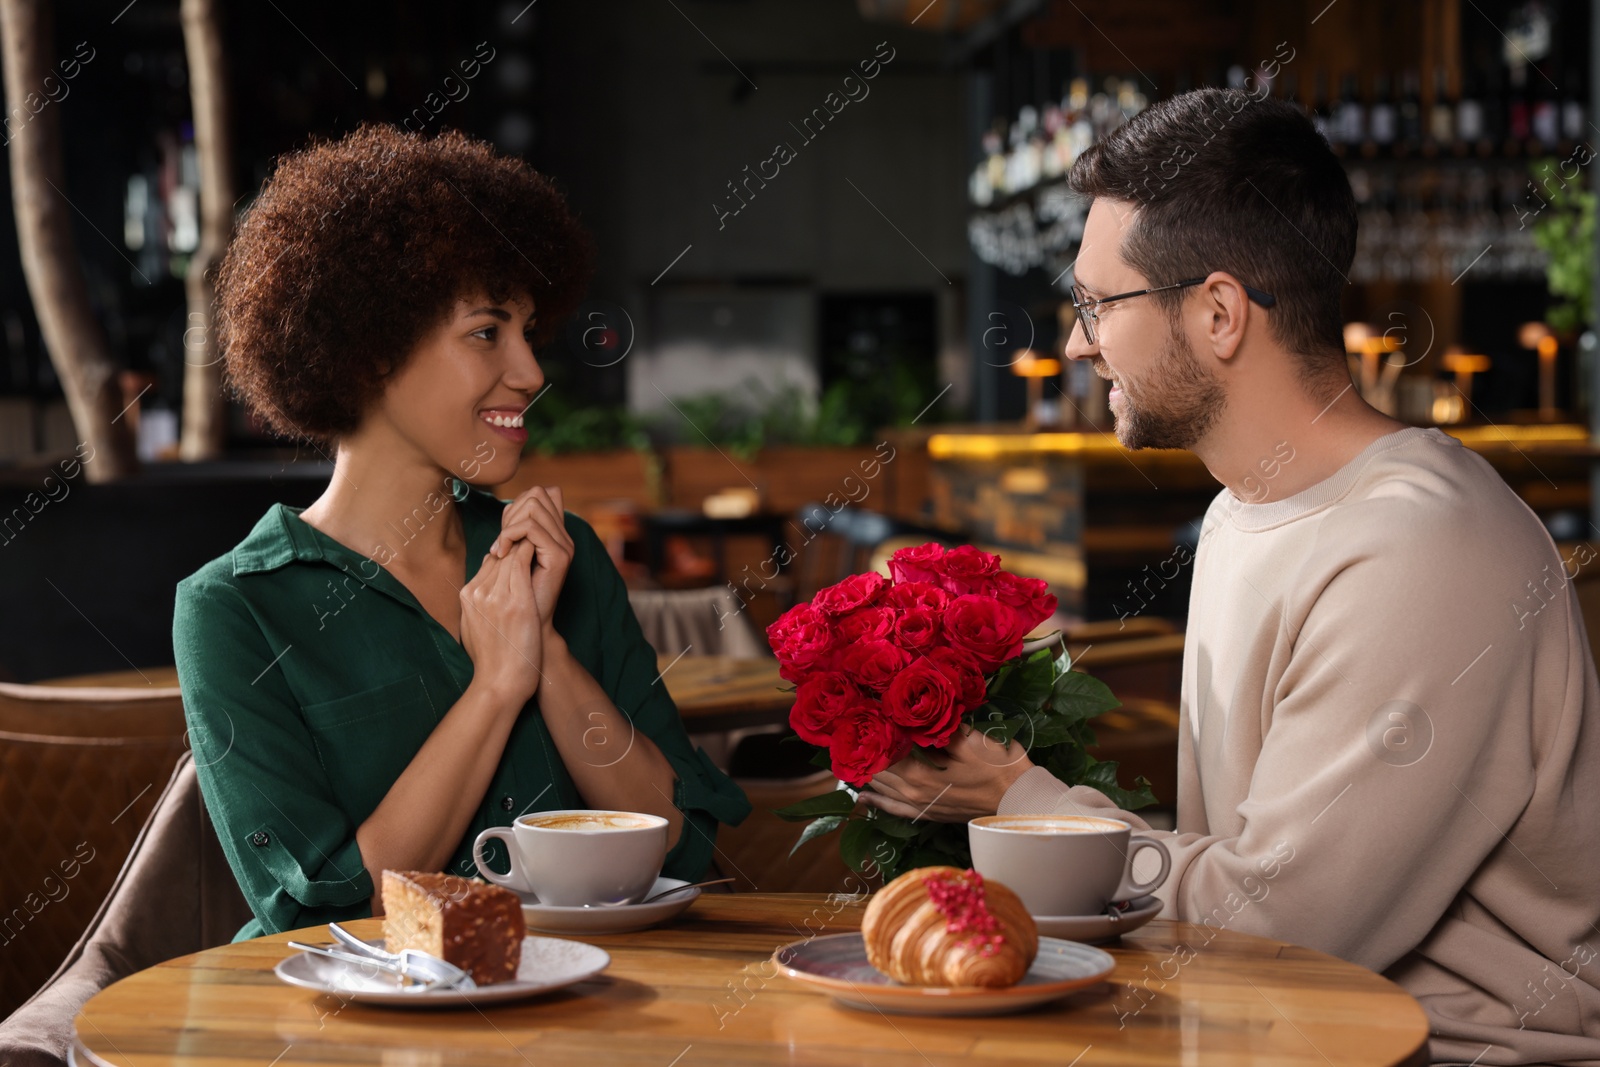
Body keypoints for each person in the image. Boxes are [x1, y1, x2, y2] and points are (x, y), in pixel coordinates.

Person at [865, 88, 1600, 1065]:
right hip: (1274, 1029)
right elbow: (1247, 873)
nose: (1077, 341)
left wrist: (1016, 794)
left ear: (1217, 312)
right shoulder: (1235, 511)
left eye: (1096, 304)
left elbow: (1279, 922)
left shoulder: (1417, 548)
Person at [173, 124, 750, 941]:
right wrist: (494, 685)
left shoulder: (564, 555)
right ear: (370, 351)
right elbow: (326, 909)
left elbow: (683, 850)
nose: (531, 371)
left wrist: (542, 646)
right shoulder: (234, 610)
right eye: (487, 333)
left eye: (528, 332)